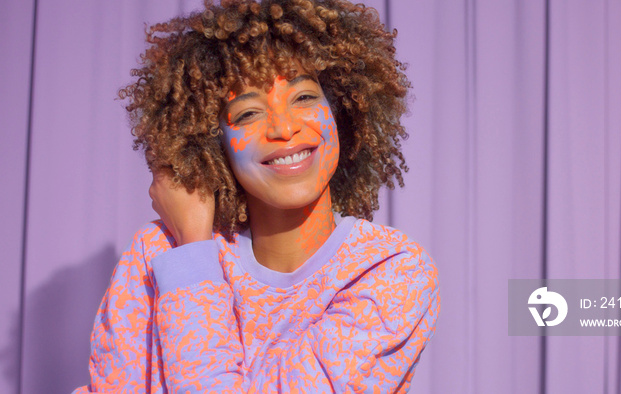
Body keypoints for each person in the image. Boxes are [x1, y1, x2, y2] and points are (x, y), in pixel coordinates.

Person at [73, 0, 439, 392]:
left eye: (304, 98)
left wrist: (194, 253)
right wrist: (190, 249)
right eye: (247, 114)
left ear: (342, 113)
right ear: (212, 145)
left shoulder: (389, 270)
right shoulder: (158, 251)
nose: (283, 128)